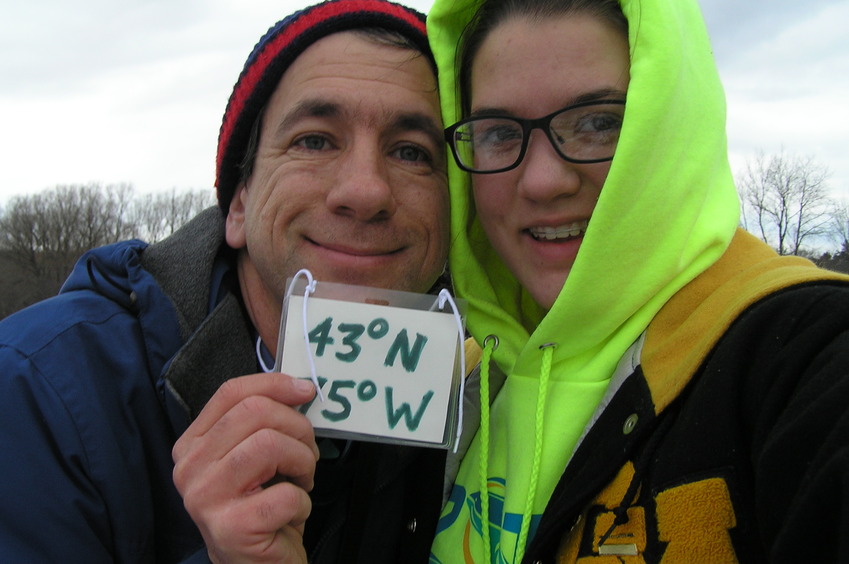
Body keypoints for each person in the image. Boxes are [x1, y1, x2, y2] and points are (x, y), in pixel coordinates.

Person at [0, 1, 451, 562]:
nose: (365, 191)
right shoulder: (36, 391)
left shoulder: (481, 403)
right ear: (237, 205)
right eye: (314, 140)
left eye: (412, 152)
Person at [426, 0, 849, 562]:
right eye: (500, 132)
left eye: (598, 122)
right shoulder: (463, 380)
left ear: (672, 126)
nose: (544, 181)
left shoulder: (802, 354)